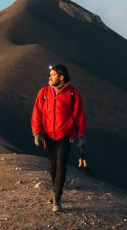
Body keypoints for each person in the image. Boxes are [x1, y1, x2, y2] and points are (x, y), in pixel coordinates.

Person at [31, 64, 87, 212]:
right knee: (52, 167)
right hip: (49, 135)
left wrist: (81, 136)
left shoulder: (73, 94)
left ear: (61, 77)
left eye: (53, 75)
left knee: (61, 165)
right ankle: (56, 189)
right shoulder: (44, 92)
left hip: (65, 135)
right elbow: (37, 112)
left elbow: (79, 116)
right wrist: (37, 133)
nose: (49, 77)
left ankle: (57, 197)